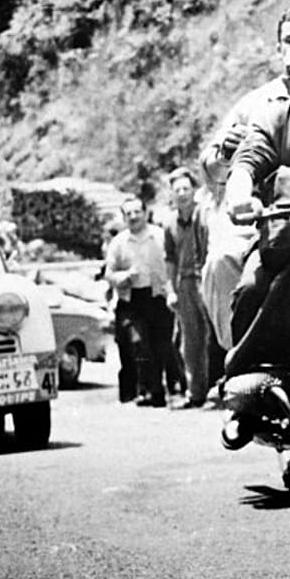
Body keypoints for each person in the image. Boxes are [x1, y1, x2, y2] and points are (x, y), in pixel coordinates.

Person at [199, 4, 290, 350]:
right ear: (279, 49)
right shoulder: (258, 106)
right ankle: (239, 354)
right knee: (225, 261)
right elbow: (219, 170)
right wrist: (229, 162)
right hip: (271, 221)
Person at [104, 197, 172, 407]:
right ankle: (146, 390)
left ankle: (157, 391)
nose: (133, 217)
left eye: (137, 212)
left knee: (160, 345)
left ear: (145, 213)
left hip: (156, 297)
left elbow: (172, 262)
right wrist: (124, 276)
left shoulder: (159, 236)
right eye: (129, 214)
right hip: (131, 299)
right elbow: (109, 273)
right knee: (138, 343)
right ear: (124, 218)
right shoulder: (119, 242)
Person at [163, 167, 212, 408]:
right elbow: (169, 260)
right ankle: (195, 392)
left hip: (205, 278)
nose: (182, 193)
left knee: (213, 337)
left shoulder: (205, 215)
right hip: (184, 283)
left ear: (194, 190)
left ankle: (217, 390)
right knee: (190, 341)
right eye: (177, 190)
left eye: (186, 188)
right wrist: (170, 290)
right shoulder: (169, 224)